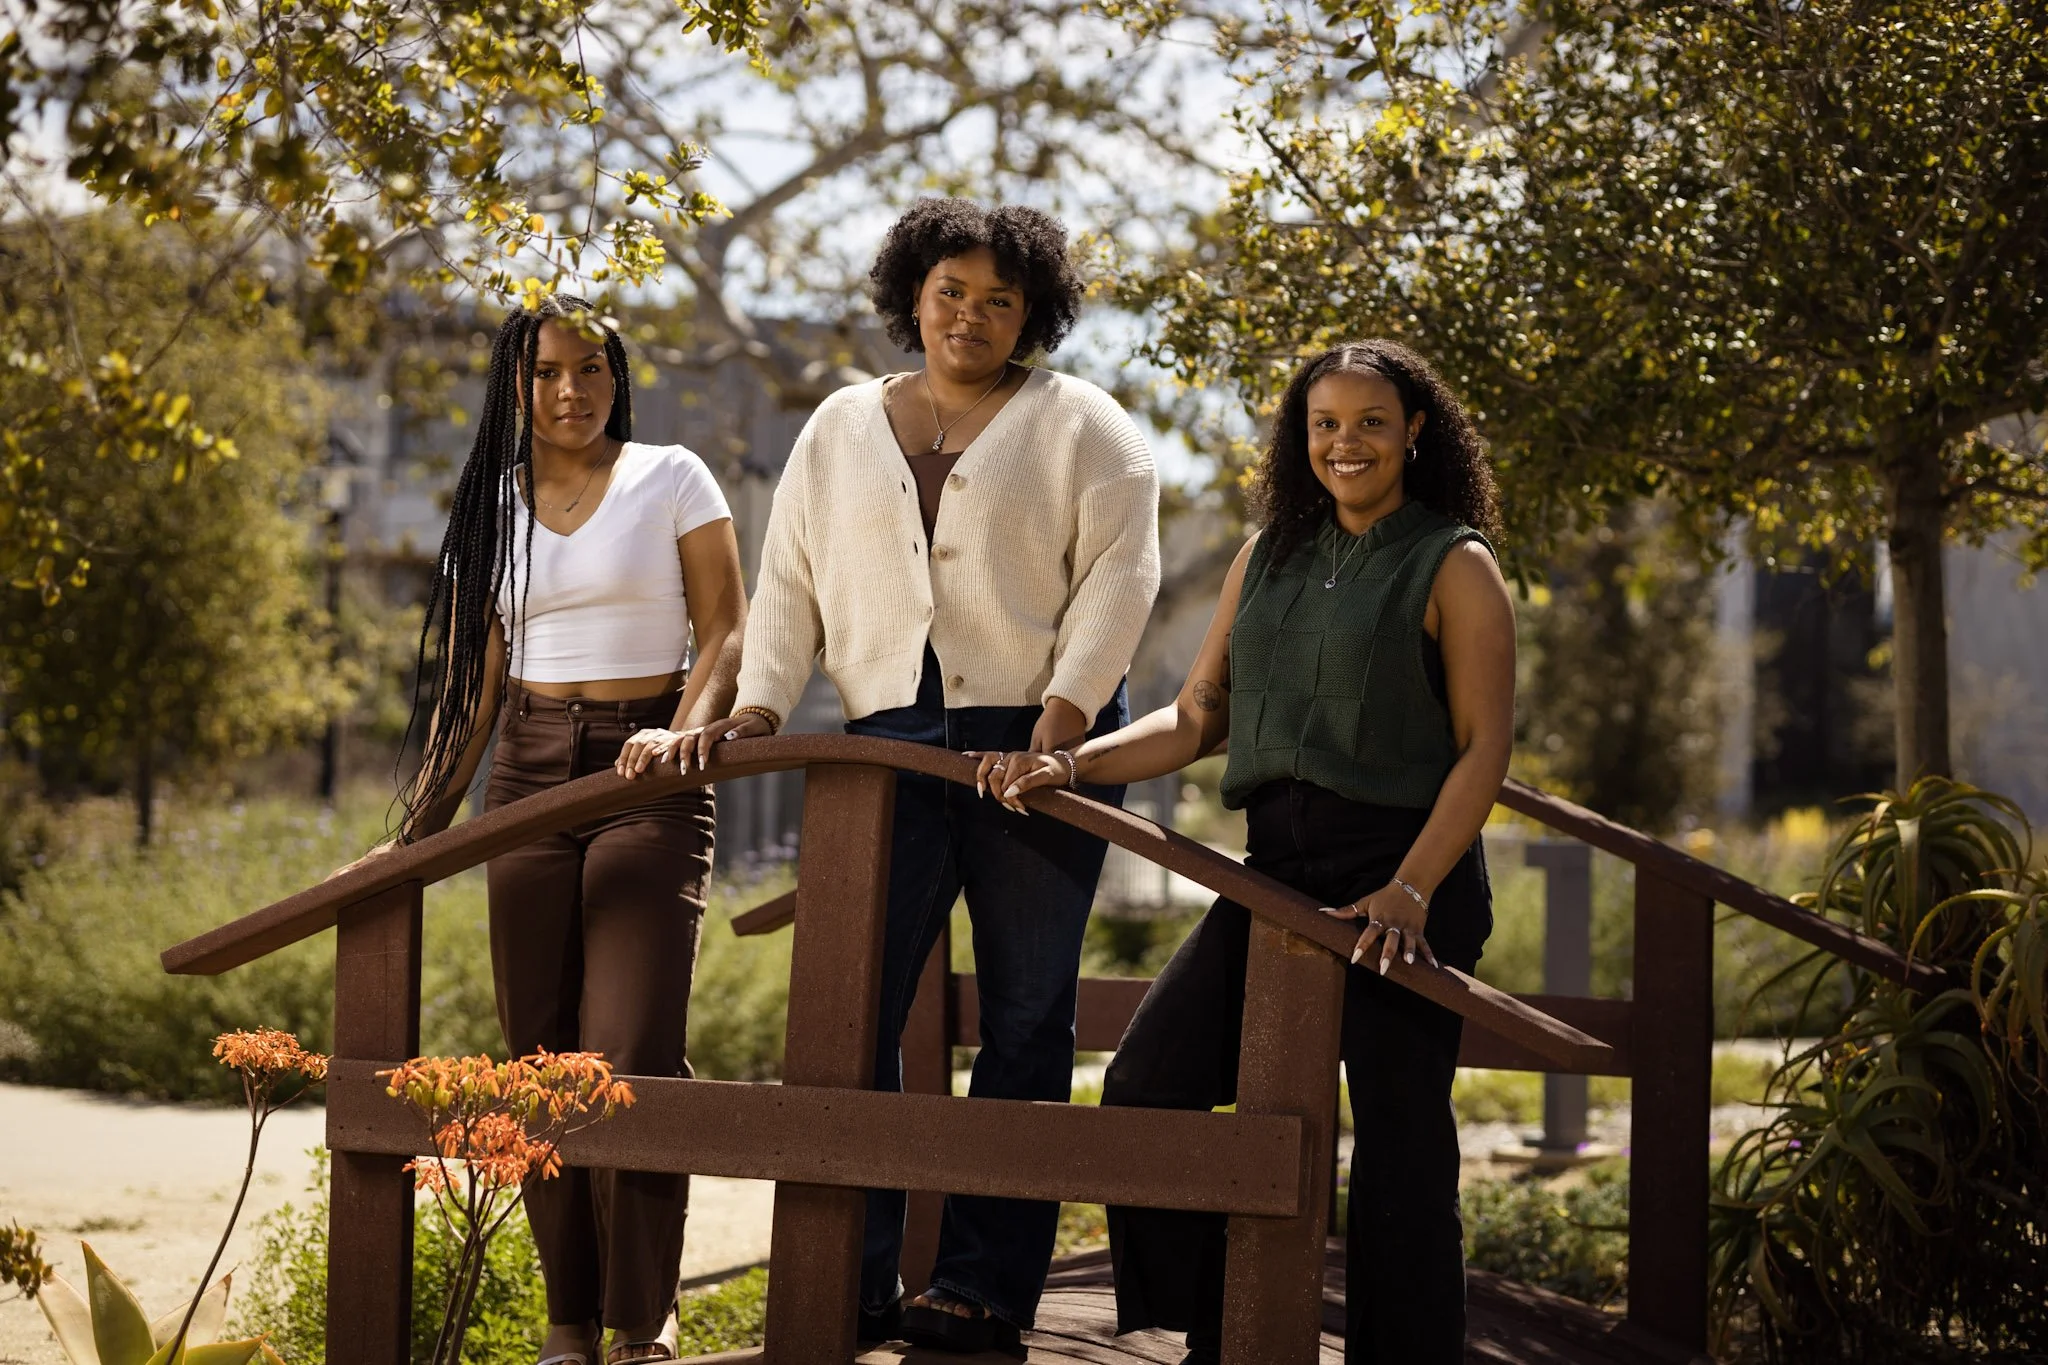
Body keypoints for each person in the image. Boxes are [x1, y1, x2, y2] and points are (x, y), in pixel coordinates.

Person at [992, 339, 1515, 1364]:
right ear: (1299, 437)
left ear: (1414, 430)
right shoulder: (1265, 554)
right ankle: (1227, 1331)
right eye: (1323, 424)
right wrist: (1073, 763)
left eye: (1369, 421)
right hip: (1272, 876)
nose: (1344, 443)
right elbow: (1195, 718)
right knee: (1146, 1082)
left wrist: (1411, 887)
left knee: (1401, 1153)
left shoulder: (1454, 560)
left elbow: (1482, 747)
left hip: (1403, 879)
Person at [708, 198, 1160, 1350]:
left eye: (999, 300)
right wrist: (760, 702)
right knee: (852, 1008)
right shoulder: (840, 425)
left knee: (1022, 1017)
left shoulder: (1086, 426)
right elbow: (792, 576)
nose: (970, 315)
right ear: (912, 294)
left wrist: (1057, 733)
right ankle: (850, 1276)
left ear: (1032, 314)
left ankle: (979, 1288)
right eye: (950, 292)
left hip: (1038, 749)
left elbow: (1120, 581)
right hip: (882, 748)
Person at [338, 295, 747, 1365]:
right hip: (521, 775)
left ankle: (641, 1320)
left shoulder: (671, 477)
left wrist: (679, 735)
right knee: (538, 1062)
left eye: (591, 370)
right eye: (547, 373)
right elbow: (472, 694)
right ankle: (568, 1322)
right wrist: (414, 833)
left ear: (618, 376)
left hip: (642, 774)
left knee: (628, 1055)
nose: (570, 391)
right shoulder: (495, 509)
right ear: (512, 388)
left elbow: (726, 633)